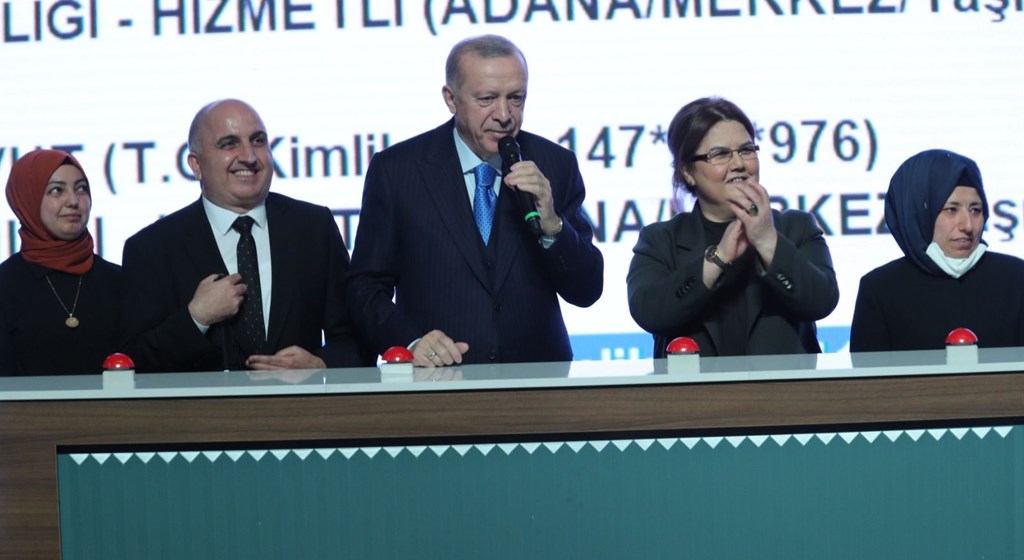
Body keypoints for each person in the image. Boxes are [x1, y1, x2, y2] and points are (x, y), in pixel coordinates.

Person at [346, 35, 604, 367]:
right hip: (437, 379)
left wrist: (553, 225)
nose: (504, 115)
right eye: (487, 99)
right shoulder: (398, 170)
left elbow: (586, 291)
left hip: (539, 380)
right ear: (451, 99)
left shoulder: (555, 164)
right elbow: (365, 287)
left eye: (516, 98)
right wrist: (410, 342)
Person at [120, 99, 367, 372]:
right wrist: (196, 318)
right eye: (229, 144)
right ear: (196, 165)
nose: (249, 156)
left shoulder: (314, 228)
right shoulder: (152, 248)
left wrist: (321, 364)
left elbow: (357, 339)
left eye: (258, 141)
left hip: (299, 400)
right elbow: (133, 362)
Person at [627, 97, 839, 357]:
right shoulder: (660, 240)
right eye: (720, 154)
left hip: (783, 384)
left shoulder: (796, 228)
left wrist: (768, 241)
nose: (739, 164)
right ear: (688, 172)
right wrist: (718, 259)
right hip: (695, 384)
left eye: (746, 150)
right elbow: (648, 312)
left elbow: (822, 301)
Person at [850, 149, 1024, 352]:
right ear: (918, 213)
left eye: (975, 210)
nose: (967, 225)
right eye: (951, 210)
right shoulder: (880, 290)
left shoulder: (1017, 278)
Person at [0, 149, 122, 375]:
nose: (73, 201)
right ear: (27, 199)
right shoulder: (5, 285)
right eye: (57, 190)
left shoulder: (119, 281)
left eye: (81, 189)